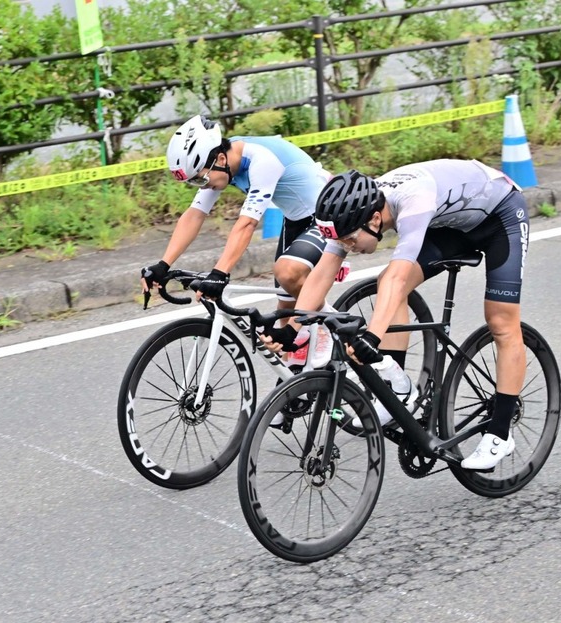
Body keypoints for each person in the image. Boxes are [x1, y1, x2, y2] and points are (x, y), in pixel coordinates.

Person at [262, 160, 530, 470]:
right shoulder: (357, 212)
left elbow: (398, 278)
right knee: (387, 283)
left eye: (350, 239)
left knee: (500, 321)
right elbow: (322, 273)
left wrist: (371, 340)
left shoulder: (413, 200)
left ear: (375, 219)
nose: (348, 246)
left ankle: (499, 434)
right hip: (451, 225)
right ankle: (398, 388)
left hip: (501, 217)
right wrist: (294, 329)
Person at [140, 114, 331, 314]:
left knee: (288, 273)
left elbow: (247, 223)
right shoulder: (223, 163)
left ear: (221, 159)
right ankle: (318, 325)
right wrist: (163, 264)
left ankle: (331, 324)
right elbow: (195, 214)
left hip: (327, 211)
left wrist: (220, 272)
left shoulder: (261, 161)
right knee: (286, 308)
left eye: (199, 180)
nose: (201, 187)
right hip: (297, 218)